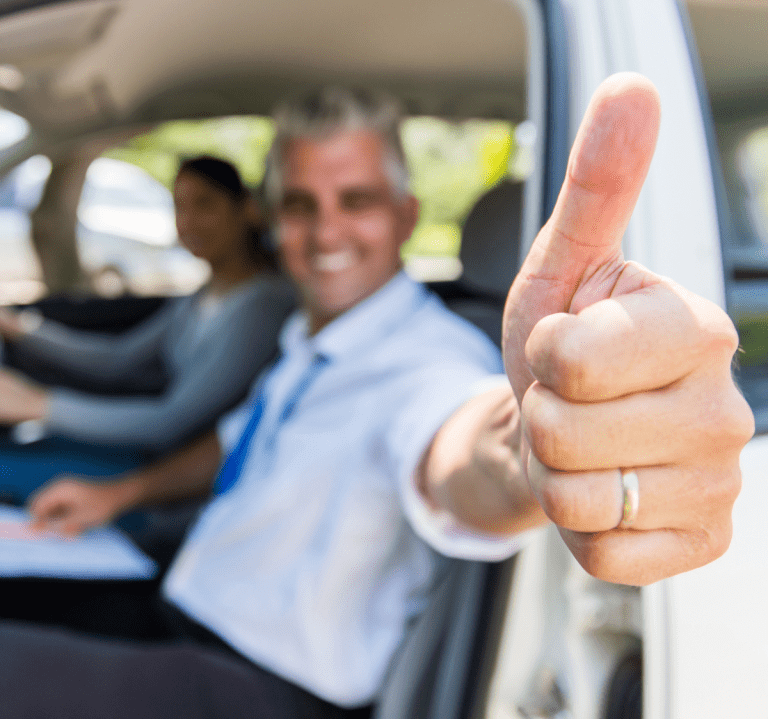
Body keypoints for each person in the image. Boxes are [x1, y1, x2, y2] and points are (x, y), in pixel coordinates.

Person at [0, 76, 753, 718]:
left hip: (265, 685)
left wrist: (540, 444)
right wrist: (118, 493)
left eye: (355, 199)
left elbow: (461, 448)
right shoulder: (310, 334)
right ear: (274, 220)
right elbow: (232, 440)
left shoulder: (429, 359)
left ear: (406, 215)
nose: (325, 229)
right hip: (182, 609)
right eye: (300, 204)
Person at [0, 155, 295, 506]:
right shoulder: (199, 297)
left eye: (205, 205)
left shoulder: (264, 305)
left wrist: (40, 405)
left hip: (174, 485)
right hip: (143, 457)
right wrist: (21, 330)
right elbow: (117, 359)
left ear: (247, 208)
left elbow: (170, 421)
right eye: (178, 208)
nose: (187, 223)